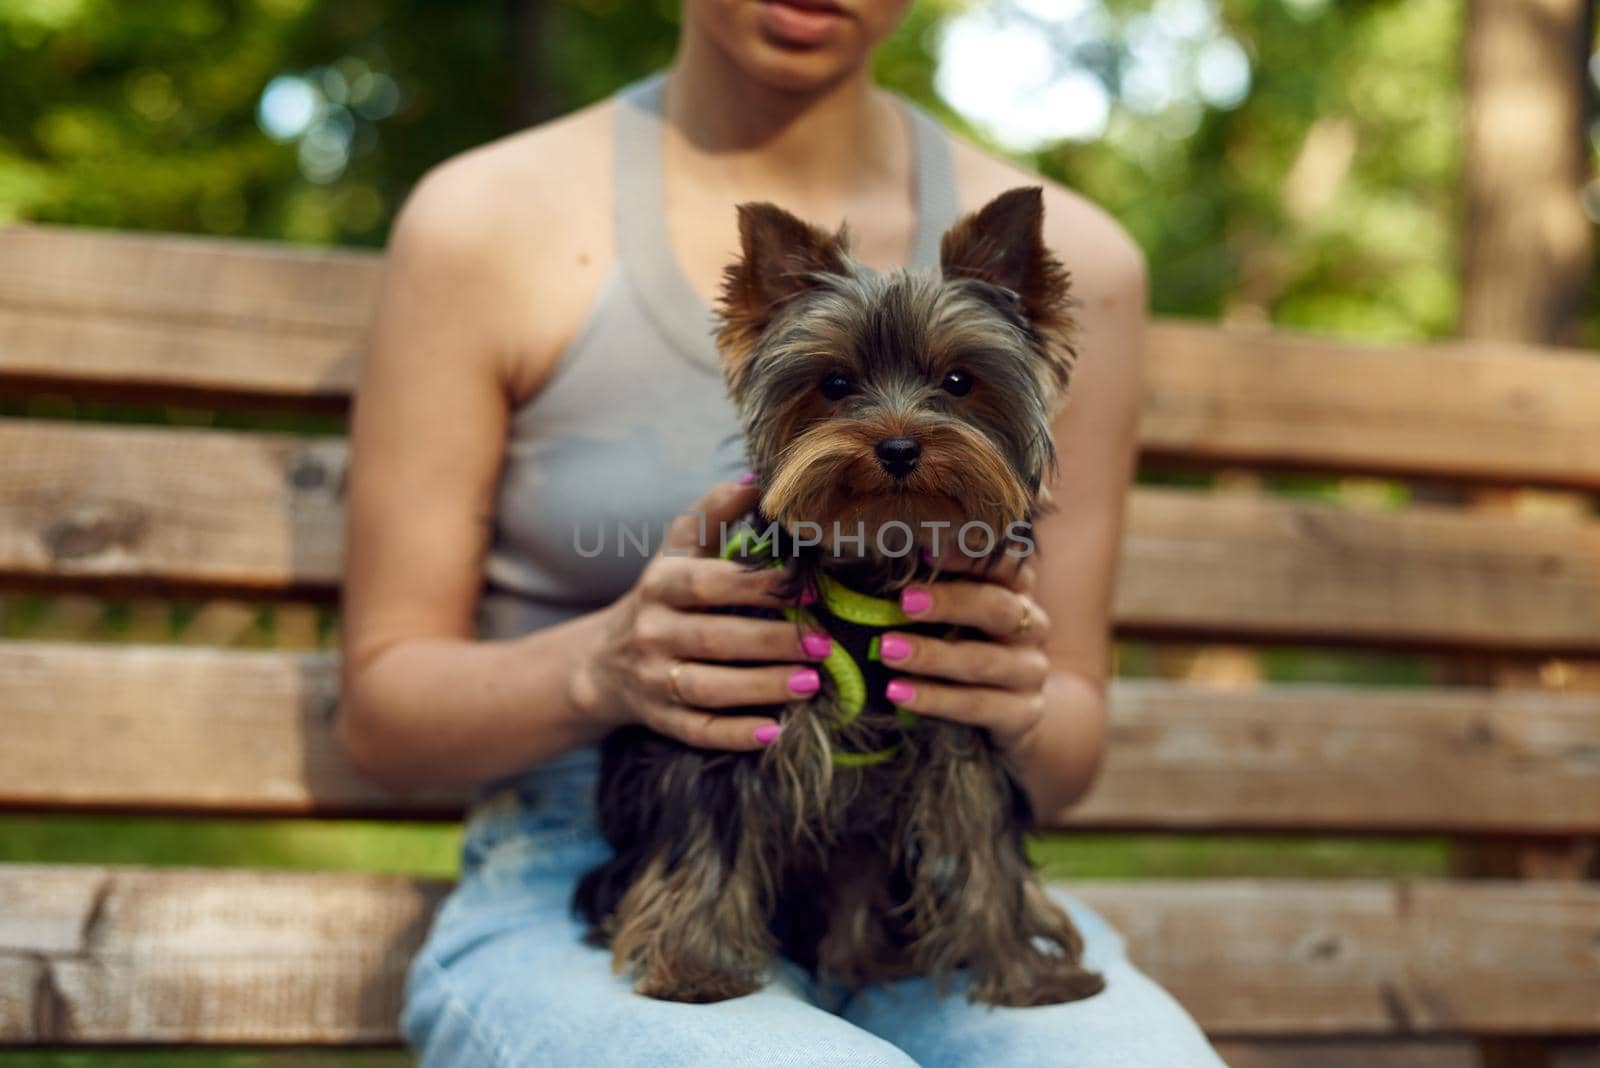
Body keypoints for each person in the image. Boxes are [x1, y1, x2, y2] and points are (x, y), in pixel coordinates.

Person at [338, 1, 1225, 1064]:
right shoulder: (483, 220)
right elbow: (379, 715)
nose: (901, 431)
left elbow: (1066, 745)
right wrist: (607, 669)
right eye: (842, 388)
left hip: (927, 874)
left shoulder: (1078, 253)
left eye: (949, 386)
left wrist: (1011, 699)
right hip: (595, 850)